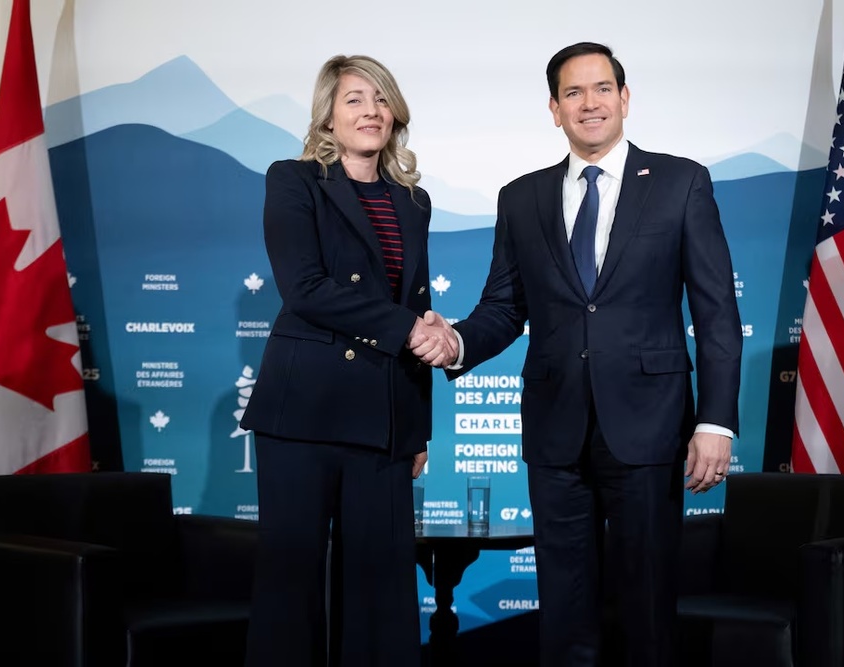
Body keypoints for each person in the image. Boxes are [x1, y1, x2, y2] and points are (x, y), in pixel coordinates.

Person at [412, 41, 742, 666]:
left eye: (600, 89)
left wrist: (715, 421)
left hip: (650, 426)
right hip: (555, 430)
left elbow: (717, 312)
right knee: (564, 610)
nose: (588, 103)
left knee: (646, 605)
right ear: (554, 109)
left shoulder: (680, 182)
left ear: (624, 98)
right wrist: (455, 341)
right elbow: (505, 308)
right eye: (573, 93)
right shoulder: (522, 197)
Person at [239, 54, 454, 667]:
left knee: (384, 588)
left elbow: (416, 300)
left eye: (381, 99)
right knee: (291, 584)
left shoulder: (413, 200)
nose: (371, 111)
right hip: (305, 410)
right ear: (328, 117)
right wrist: (411, 328)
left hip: (384, 420)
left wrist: (417, 426)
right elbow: (304, 288)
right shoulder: (293, 179)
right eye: (355, 98)